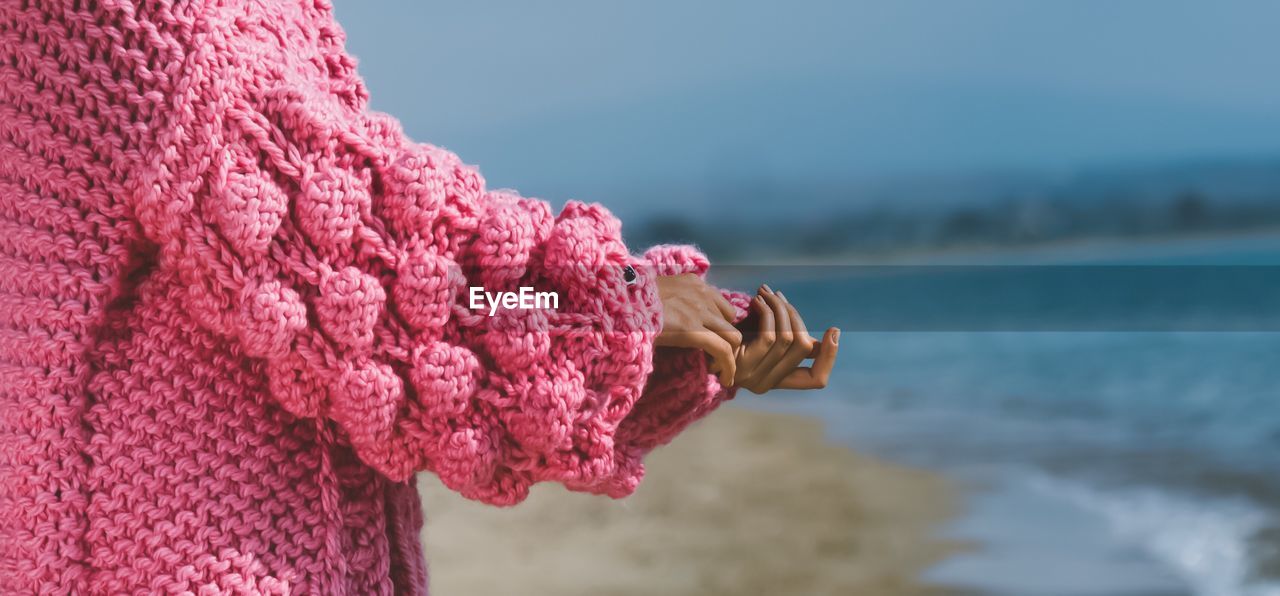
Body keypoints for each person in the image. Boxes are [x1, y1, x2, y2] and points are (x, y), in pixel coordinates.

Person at [0, 1, 839, 593]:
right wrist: (611, 305)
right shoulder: (141, 18)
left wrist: (678, 332)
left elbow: (388, 304)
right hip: (192, 564)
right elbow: (403, 287)